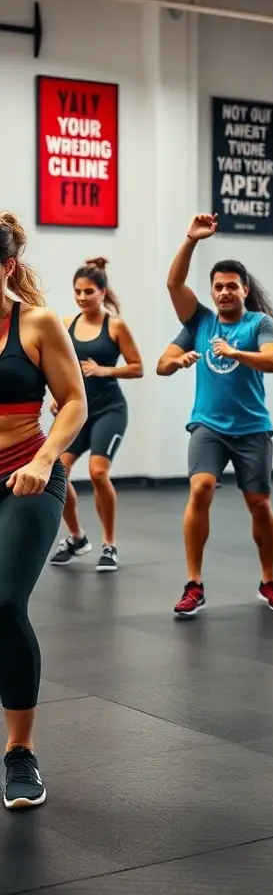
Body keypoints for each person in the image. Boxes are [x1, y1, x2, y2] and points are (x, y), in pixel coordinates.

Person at [158, 215, 273, 617]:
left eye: (232, 285)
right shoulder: (200, 321)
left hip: (252, 428)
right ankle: (194, 583)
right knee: (200, 489)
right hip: (208, 425)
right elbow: (162, 359)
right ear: (212, 292)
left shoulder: (259, 323)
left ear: (244, 290)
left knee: (259, 504)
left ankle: (269, 580)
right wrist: (190, 239)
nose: (224, 291)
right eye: (218, 286)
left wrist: (236, 354)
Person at [0, 212, 87, 810]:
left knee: (5, 602)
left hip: (28, 476)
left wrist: (45, 458)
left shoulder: (35, 323)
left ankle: (19, 752)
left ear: (6, 267)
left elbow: (75, 401)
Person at [49, 258, 143, 572]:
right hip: (78, 411)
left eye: (89, 291)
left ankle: (109, 545)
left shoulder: (115, 326)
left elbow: (137, 367)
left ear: (102, 292)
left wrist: (104, 370)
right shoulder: (66, 324)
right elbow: (58, 368)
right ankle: (76, 538)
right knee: (56, 471)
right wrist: (57, 397)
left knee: (98, 472)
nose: (82, 297)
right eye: (77, 291)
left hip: (110, 410)